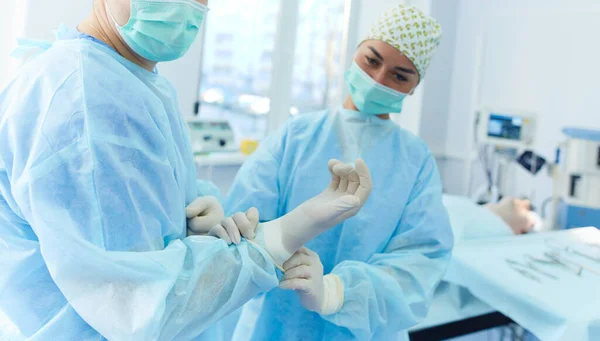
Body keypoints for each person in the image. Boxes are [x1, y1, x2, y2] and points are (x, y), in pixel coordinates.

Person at [0, 0, 374, 340]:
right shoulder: (85, 98)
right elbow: (136, 305)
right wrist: (282, 235)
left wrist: (193, 222)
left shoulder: (133, 82)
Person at [225, 4, 454, 341]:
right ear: (355, 53)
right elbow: (244, 226)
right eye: (372, 60)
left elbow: (422, 262)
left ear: (413, 88)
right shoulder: (296, 137)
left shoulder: (415, 161)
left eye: (399, 75)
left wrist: (336, 292)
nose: (378, 79)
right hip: (277, 326)